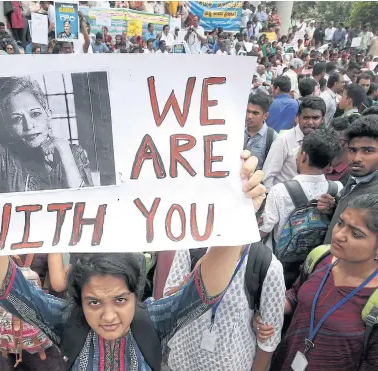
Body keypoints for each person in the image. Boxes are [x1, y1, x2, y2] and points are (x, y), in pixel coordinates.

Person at [0, 138, 266, 371]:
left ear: (137, 295)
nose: (109, 316)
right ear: (78, 300)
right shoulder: (64, 320)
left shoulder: (155, 319)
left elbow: (203, 291)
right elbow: (4, 286)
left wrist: (237, 217)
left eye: (120, 300)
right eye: (94, 302)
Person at [257, 193, 378, 370]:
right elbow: (296, 296)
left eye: (356, 234)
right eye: (340, 223)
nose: (339, 235)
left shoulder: (373, 299)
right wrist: (266, 313)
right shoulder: (320, 258)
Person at [162, 244, 285, 371]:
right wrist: (188, 284)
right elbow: (166, 301)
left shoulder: (267, 265)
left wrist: (256, 323)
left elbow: (269, 340)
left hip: (231, 364)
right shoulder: (192, 247)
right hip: (182, 361)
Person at [0, 76, 93, 194]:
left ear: (48, 116)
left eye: (35, 114)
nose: (29, 126)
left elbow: (89, 204)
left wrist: (64, 151)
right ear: (8, 126)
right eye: (16, 119)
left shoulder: (74, 153)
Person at [260, 128, 343, 248]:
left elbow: (264, 229)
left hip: (282, 259)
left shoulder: (280, 190)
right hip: (315, 259)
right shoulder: (337, 189)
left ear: (303, 156)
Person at [318, 115, 378, 244]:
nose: (356, 158)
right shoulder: (355, 180)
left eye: (368, 151)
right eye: (353, 150)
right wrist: (333, 208)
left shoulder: (375, 196)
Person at [263, 96, 326, 192]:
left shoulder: (322, 141)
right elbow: (267, 176)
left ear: (322, 120)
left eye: (315, 118)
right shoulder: (284, 140)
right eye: (306, 117)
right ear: (298, 118)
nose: (310, 122)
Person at [244, 93, 276, 170]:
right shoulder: (236, 131)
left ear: (265, 116)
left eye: (255, 113)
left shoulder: (273, 138)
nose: (249, 116)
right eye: (248, 111)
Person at [325, 115, 360, 186]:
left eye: (339, 140)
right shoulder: (321, 160)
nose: (331, 142)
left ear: (349, 143)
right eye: (329, 137)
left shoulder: (352, 172)